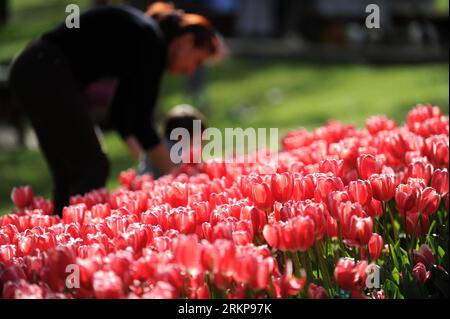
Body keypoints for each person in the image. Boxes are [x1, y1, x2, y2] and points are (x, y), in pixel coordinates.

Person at [8, 2, 226, 216]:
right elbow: (141, 122)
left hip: (31, 68)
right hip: (46, 70)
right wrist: (177, 178)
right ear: (186, 42)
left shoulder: (144, 36)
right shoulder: (152, 43)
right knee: (92, 166)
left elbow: (120, 114)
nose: (190, 71)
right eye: (196, 61)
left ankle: (60, 236)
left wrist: (146, 164)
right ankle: (77, 240)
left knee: (68, 171)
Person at [138, 104, 208, 177]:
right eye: (198, 142)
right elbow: (187, 174)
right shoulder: (170, 150)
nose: (200, 147)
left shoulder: (159, 144)